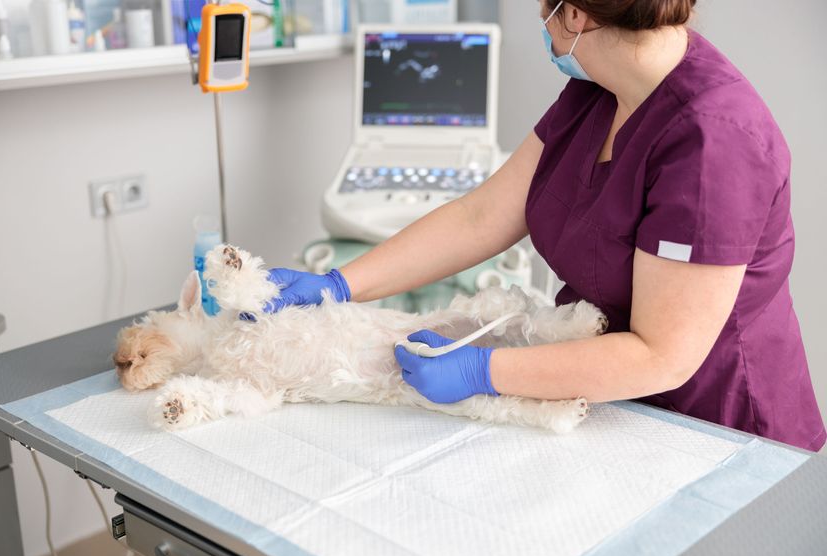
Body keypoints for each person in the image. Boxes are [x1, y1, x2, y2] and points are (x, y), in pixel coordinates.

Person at [262, 0, 826, 451]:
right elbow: (481, 216)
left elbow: (662, 355)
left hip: (717, 430)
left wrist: (485, 369)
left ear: (575, 15)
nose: (541, 19)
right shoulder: (597, 91)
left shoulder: (715, 142)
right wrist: (340, 285)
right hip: (602, 403)